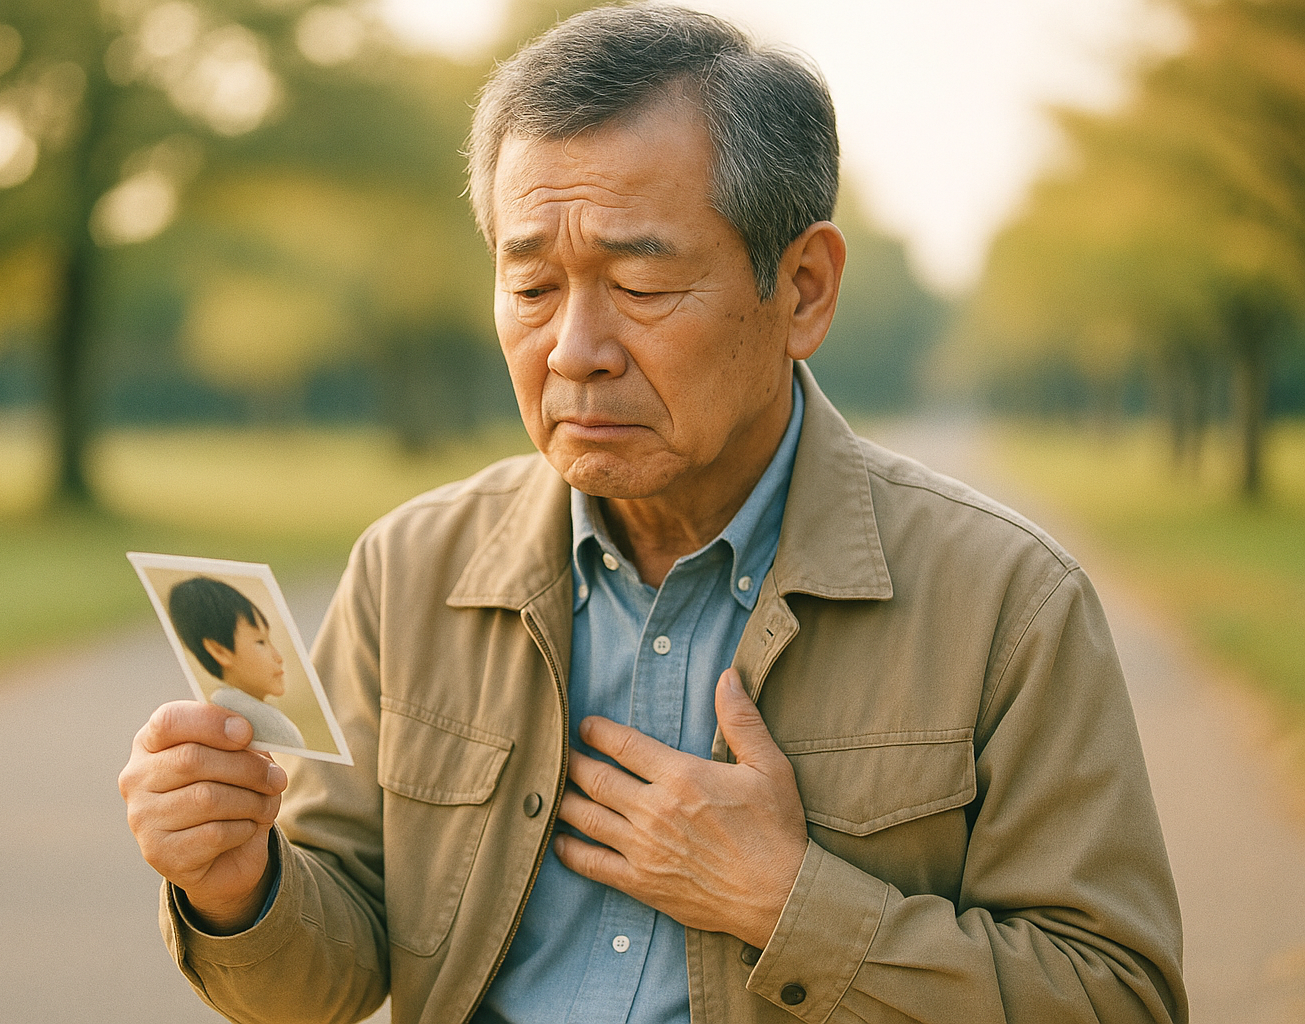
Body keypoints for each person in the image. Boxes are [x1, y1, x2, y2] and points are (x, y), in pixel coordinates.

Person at [119, 6, 1186, 1023]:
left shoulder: (1007, 602)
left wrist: (789, 902)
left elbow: (1118, 996)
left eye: (639, 283)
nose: (575, 348)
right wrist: (239, 886)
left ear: (804, 288)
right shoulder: (411, 567)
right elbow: (331, 974)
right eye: (531, 287)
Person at [166, 575, 307, 751]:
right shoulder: (276, 726)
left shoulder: (217, 706)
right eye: (261, 642)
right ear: (219, 651)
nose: (278, 657)